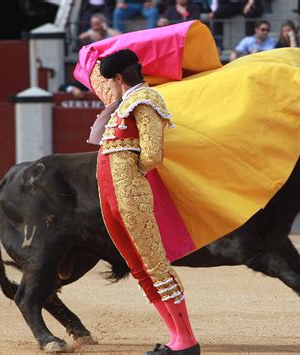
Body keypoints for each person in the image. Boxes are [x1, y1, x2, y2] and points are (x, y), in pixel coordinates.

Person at [95, 49, 200, 355]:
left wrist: (130, 173)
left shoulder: (145, 101)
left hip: (131, 197)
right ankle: (175, 338)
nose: (108, 89)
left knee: (154, 264)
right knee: (139, 267)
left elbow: (153, 153)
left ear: (119, 77)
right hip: (112, 197)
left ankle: (186, 340)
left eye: (110, 82)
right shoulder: (123, 104)